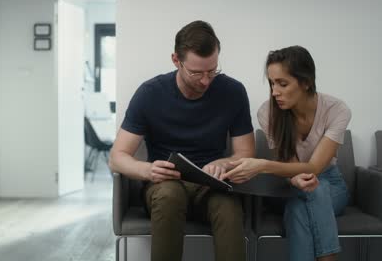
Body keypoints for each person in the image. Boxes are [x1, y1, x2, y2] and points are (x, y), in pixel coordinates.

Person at [109, 20, 255, 261]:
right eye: (196, 72)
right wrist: (148, 170)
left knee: (229, 207)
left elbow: (246, 152)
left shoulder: (233, 92)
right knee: (169, 195)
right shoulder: (150, 93)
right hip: (163, 185)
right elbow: (117, 157)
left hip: (212, 185)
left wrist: (224, 164)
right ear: (176, 60)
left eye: (212, 71)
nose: (206, 81)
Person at [223, 45, 351, 261]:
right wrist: (293, 179)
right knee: (304, 200)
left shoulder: (337, 110)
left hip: (330, 184)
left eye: (282, 84)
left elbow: (314, 168)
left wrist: (262, 165)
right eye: (272, 83)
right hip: (288, 185)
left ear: (306, 82)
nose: (274, 92)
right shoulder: (268, 112)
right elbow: (291, 166)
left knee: (304, 202)